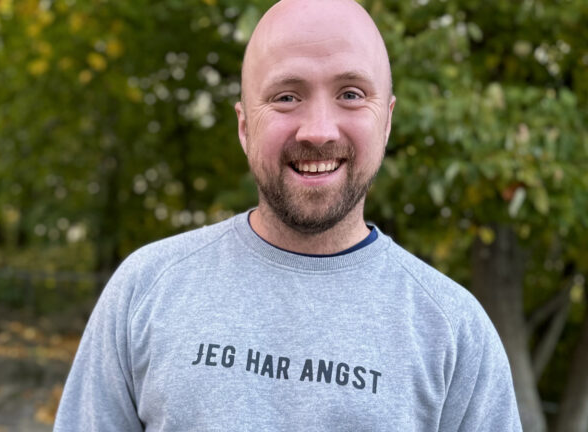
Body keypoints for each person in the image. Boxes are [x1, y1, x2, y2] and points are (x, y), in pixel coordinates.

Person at [54, 0, 522, 430]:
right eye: (286, 97)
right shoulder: (145, 289)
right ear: (244, 126)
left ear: (387, 121)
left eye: (351, 94)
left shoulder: (454, 330)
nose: (318, 131)